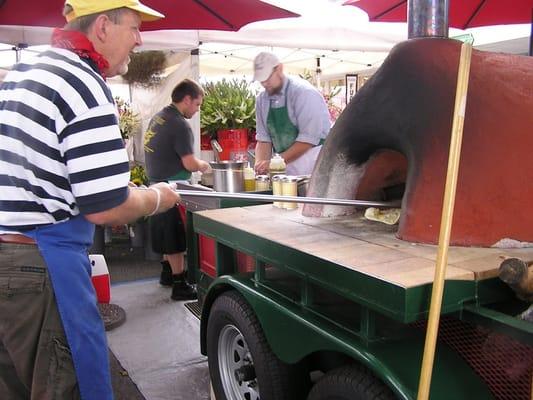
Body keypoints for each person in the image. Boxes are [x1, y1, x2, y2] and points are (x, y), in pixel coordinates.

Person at [0, 1, 175, 399]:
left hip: (7, 251)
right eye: (133, 27)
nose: (139, 39)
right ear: (102, 27)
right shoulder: (82, 81)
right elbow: (105, 205)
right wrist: (157, 197)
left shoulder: (24, 71)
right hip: (43, 265)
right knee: (72, 387)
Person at [144, 79, 211, 301]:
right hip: (173, 188)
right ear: (187, 99)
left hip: (155, 185)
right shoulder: (180, 124)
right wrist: (204, 166)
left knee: (164, 234)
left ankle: (166, 274)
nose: (197, 109)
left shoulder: (158, 117)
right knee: (175, 237)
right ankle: (180, 285)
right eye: (197, 104)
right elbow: (189, 164)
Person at [253, 51, 331, 176]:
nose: (265, 83)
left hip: (313, 168)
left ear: (279, 68)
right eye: (261, 80)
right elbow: (263, 140)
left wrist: (274, 163)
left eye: (267, 78)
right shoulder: (262, 100)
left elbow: (307, 140)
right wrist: (260, 165)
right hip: (284, 169)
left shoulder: (304, 93)